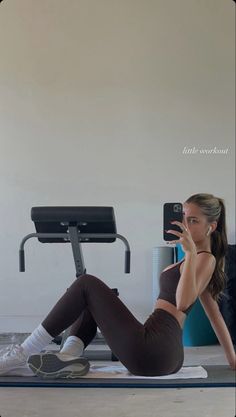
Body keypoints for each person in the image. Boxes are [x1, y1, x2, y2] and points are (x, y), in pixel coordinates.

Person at [0, 193, 235, 378]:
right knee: (93, 295)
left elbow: (183, 303)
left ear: (211, 227)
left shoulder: (204, 258)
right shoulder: (196, 260)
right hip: (163, 353)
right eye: (184, 218)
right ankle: (68, 355)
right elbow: (215, 316)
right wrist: (233, 360)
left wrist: (191, 253)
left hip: (155, 349)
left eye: (193, 221)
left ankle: (23, 352)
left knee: (86, 283)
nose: (186, 225)